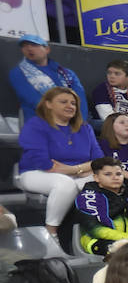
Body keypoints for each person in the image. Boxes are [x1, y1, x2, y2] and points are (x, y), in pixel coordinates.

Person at [17, 87, 102, 236]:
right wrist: (80, 169)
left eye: (73, 103)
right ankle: (51, 233)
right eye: (63, 102)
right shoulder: (35, 125)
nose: (70, 106)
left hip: (75, 174)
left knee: (106, 180)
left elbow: (99, 160)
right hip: (35, 172)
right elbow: (45, 164)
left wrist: (75, 170)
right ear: (48, 104)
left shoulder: (84, 128)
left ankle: (93, 231)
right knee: (66, 184)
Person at [75, 157, 128, 257]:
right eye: (108, 174)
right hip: (97, 241)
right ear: (96, 178)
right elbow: (94, 229)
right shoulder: (87, 198)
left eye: (118, 174)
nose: (115, 177)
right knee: (124, 250)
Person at [10, 34, 88, 123]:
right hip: (39, 122)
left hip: (72, 122)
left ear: (47, 49)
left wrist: (81, 121)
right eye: (24, 46)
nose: (29, 49)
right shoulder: (17, 73)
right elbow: (33, 99)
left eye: (34, 45)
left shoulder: (67, 73)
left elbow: (80, 99)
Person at [90, 59, 128, 132]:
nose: (112, 76)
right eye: (109, 73)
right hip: (108, 126)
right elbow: (107, 117)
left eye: (117, 74)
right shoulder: (101, 90)